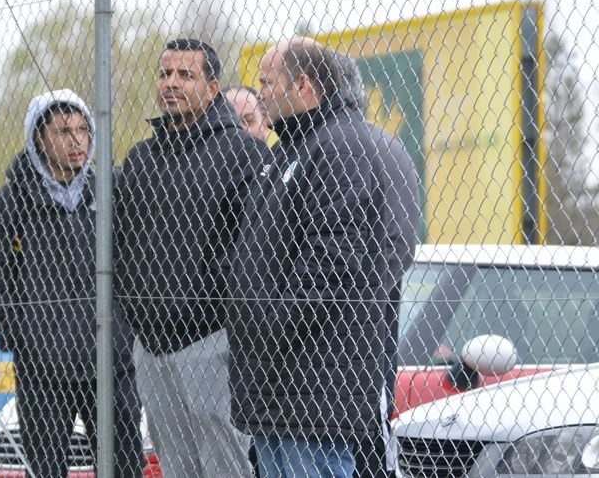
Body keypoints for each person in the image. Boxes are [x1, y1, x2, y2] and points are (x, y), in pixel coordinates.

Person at [225, 38, 390, 478]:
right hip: (279, 380)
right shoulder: (290, 149)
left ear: (301, 84)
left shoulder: (338, 147)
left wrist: (267, 323)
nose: (259, 93)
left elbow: (334, 260)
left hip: (313, 379)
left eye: (266, 82)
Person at [115, 38, 270, 477]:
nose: (172, 83)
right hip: (150, 348)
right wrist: (138, 318)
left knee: (225, 465)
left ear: (213, 86)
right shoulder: (141, 160)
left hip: (212, 342)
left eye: (185, 75)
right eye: (165, 74)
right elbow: (122, 246)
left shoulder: (244, 154)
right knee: (176, 466)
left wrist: (213, 313)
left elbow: (253, 251)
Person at [0, 89, 142, 478]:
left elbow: (137, 261)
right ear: (38, 138)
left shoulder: (111, 192)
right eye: (64, 131)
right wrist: (23, 337)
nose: (76, 140)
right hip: (43, 367)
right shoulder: (10, 203)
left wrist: (127, 329)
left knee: (123, 465)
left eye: (84, 129)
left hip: (110, 361)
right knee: (45, 467)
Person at [332, 51, 421, 478]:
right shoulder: (307, 151)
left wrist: (349, 298)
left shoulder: (382, 150)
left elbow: (398, 244)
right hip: (318, 337)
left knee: (366, 447)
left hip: (363, 334)